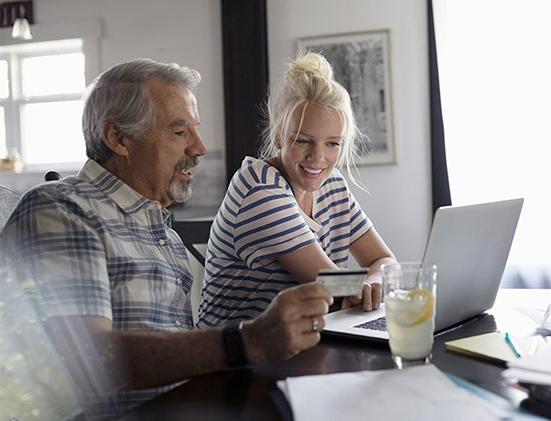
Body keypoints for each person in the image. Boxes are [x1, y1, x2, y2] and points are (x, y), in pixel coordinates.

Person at [0, 59, 332, 419]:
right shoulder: (63, 208)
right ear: (119, 138)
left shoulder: (163, 233)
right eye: (179, 132)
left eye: (196, 129)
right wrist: (245, 340)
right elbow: (87, 356)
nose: (200, 147)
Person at [198, 52, 396, 327]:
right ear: (279, 135)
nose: (318, 158)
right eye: (303, 141)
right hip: (237, 356)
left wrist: (374, 279)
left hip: (306, 341)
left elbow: (385, 261)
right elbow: (330, 284)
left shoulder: (334, 185)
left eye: (333, 144)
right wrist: (358, 283)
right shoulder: (260, 188)